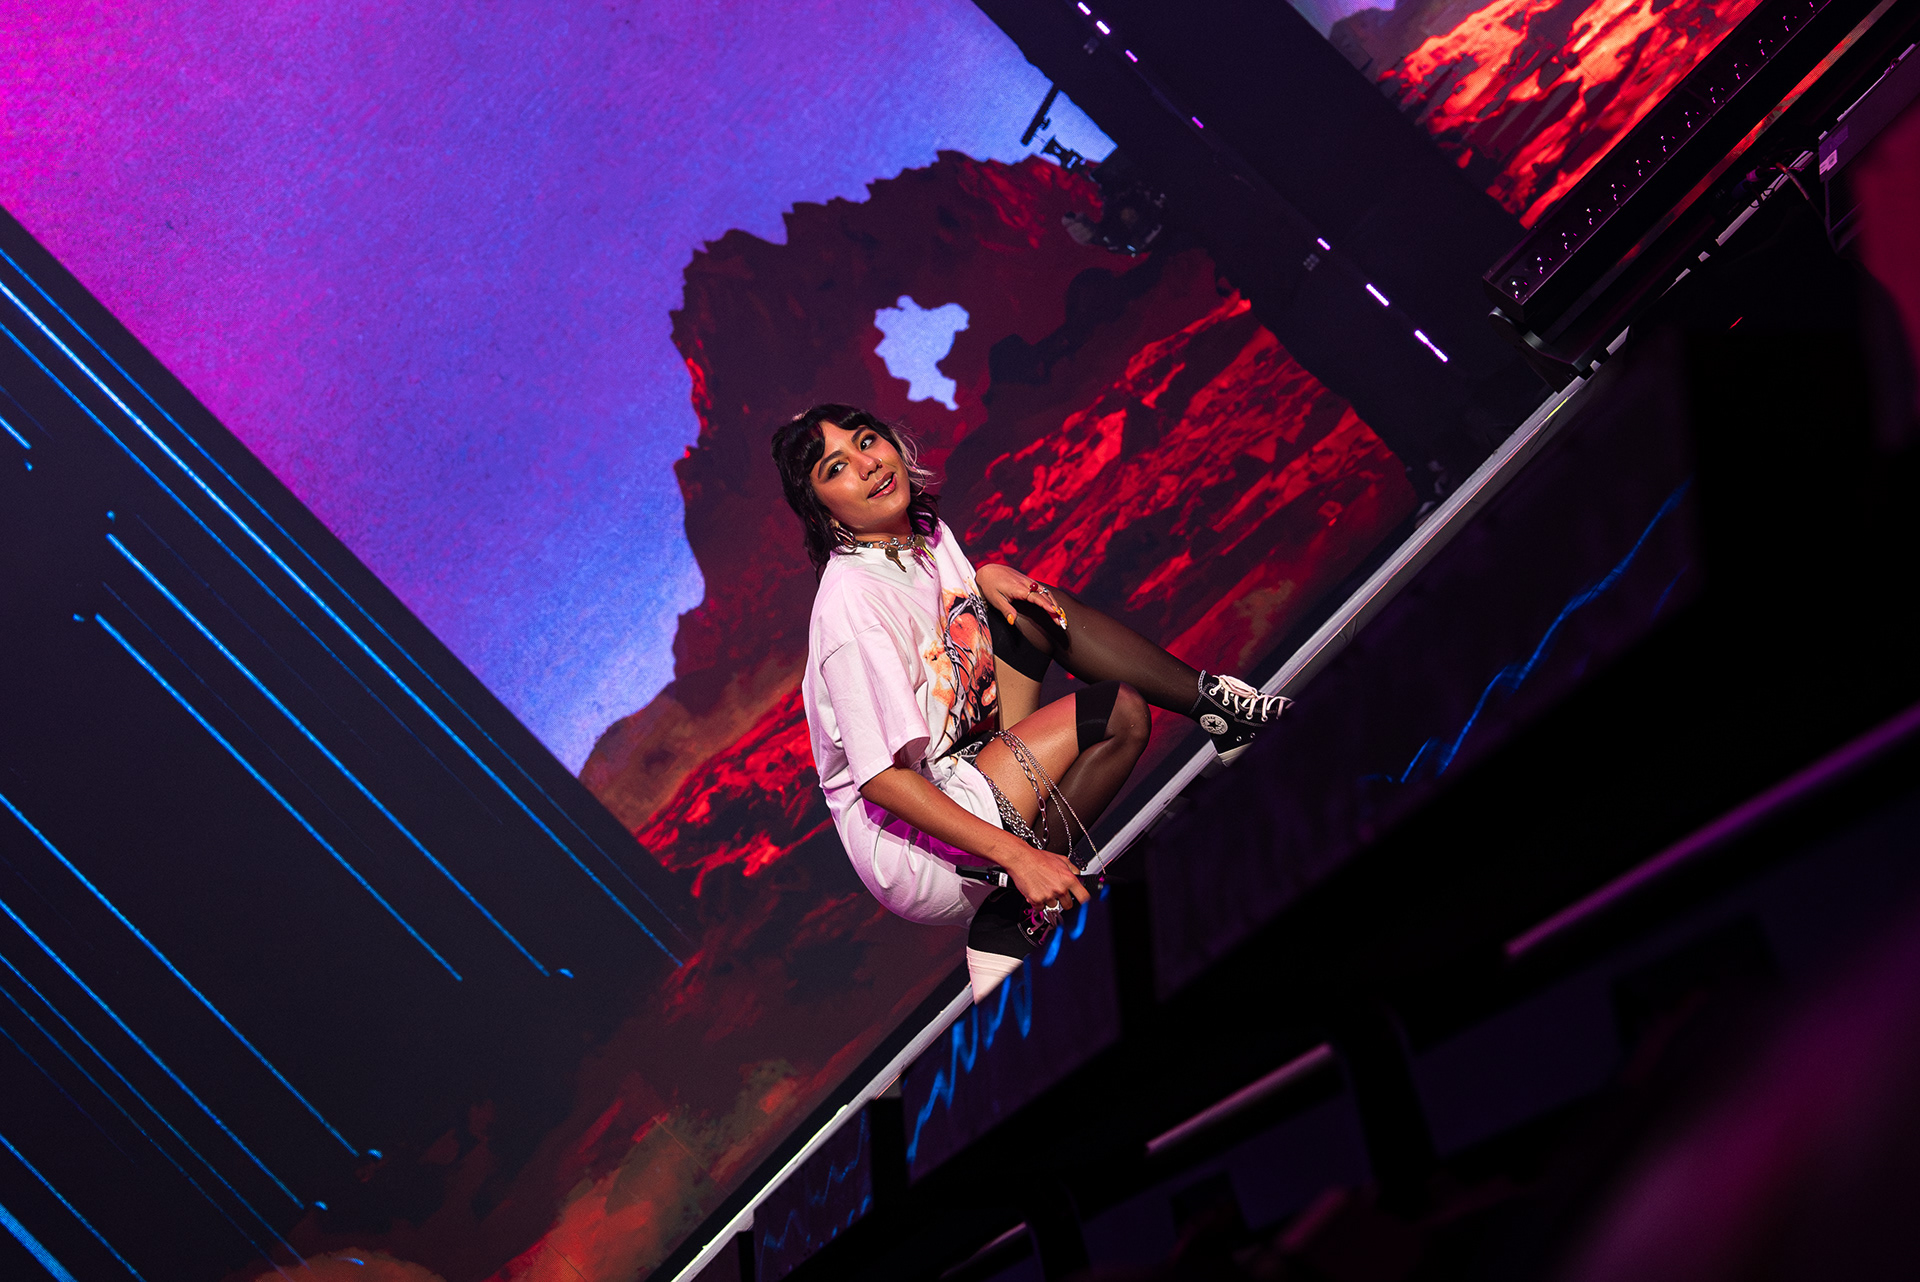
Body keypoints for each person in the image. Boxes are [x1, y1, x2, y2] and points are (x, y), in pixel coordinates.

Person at [771, 404, 1288, 999]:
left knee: (1032, 608)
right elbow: (883, 780)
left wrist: (984, 576)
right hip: (916, 839)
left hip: (966, 759)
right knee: (1118, 713)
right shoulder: (850, 608)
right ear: (820, 509)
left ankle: (1221, 711)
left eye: (867, 441)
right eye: (836, 468)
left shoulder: (922, 534)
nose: (866, 465)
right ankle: (1012, 913)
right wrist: (1018, 858)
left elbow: (955, 639)